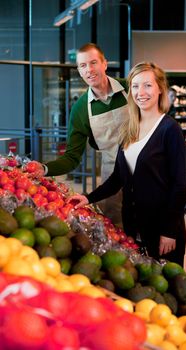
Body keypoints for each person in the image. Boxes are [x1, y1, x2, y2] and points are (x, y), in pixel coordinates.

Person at [69, 61, 186, 266]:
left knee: (167, 291)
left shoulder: (170, 130)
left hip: (161, 228)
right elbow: (117, 178)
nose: (140, 92)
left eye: (147, 85)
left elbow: (179, 185)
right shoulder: (129, 129)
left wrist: (169, 231)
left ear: (160, 89)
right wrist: (88, 198)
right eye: (135, 86)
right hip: (133, 226)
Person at [34, 43, 129, 226]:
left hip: (148, 169)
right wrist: (45, 169)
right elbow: (72, 157)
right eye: (83, 66)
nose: (89, 70)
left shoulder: (130, 89)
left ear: (105, 64)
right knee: (117, 226)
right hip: (112, 177)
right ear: (79, 70)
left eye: (93, 63)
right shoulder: (80, 109)